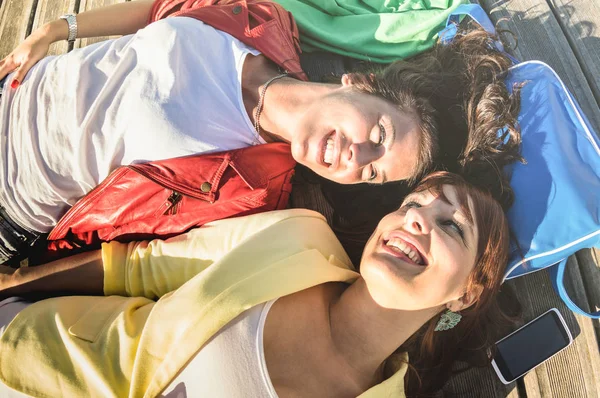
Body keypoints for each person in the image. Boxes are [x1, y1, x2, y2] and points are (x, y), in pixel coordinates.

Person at [0, 0, 522, 264]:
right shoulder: (261, 21)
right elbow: (160, 9)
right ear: (361, 84)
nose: (354, 158)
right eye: (379, 136)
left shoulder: (251, 194)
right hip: (17, 84)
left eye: (370, 172)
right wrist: (54, 30)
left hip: (12, 196)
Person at [0, 171, 515, 397]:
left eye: (451, 225)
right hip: (23, 348)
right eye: (412, 205)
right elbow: (135, 267)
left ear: (467, 293)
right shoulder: (298, 235)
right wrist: (13, 282)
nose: (415, 220)